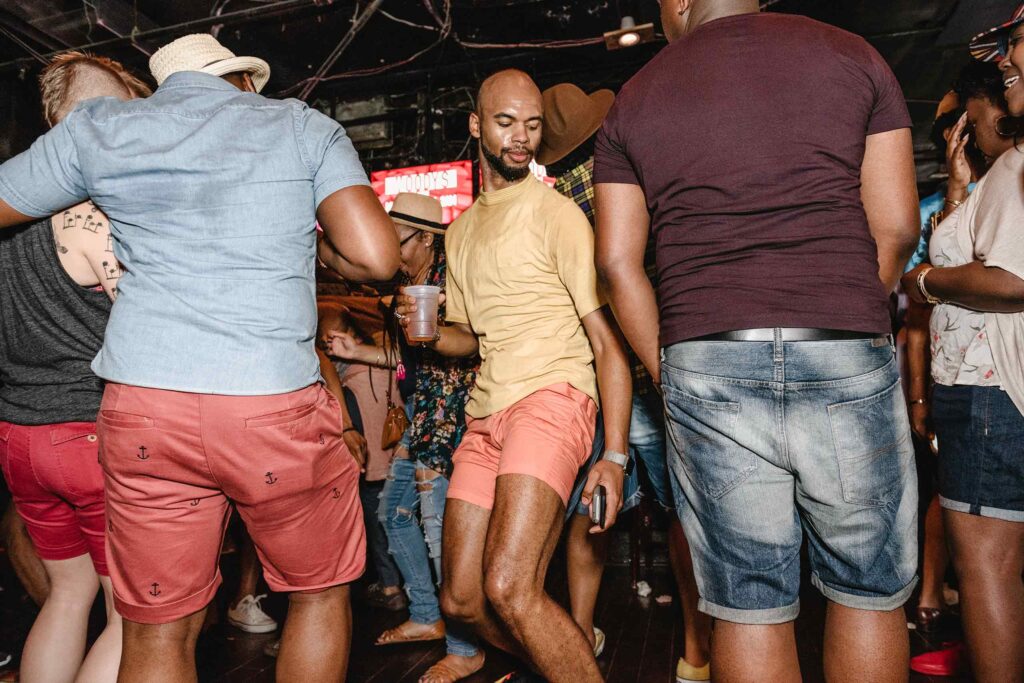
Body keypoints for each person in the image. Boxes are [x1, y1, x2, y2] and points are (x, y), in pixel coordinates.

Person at [0, 33, 399, 682]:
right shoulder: (299, 123)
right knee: (317, 592)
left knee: (158, 630)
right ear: (242, 81)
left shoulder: (104, 128)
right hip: (271, 407)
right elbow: (377, 257)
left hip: (145, 411)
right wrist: (319, 253)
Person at [594, 2, 921, 681]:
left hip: (706, 351)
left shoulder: (634, 97)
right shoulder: (855, 55)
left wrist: (670, 366)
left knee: (747, 604)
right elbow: (894, 227)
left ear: (680, 3)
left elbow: (618, 264)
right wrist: (847, 312)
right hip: (843, 340)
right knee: (867, 587)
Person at [394, 69, 630, 683]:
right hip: (486, 412)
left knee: (508, 585)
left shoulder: (557, 216)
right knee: (461, 600)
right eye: (505, 123)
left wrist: (616, 454)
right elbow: (468, 339)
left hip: (552, 398)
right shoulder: (464, 230)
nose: (521, 138)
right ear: (476, 125)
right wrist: (421, 331)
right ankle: (567, 660)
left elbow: (606, 343)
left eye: (531, 125)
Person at [537, 82, 711, 682]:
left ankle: (581, 634)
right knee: (683, 516)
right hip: (657, 365)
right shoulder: (635, 176)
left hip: (596, 375)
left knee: (593, 508)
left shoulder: (553, 202)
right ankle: (695, 652)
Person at [0, 50, 151, 683]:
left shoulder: (9, 215)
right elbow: (147, 333)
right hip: (89, 438)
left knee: (67, 595)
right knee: (130, 617)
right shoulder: (95, 219)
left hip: (18, 439)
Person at [899, 10, 1024, 681]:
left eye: (969, 118)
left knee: (986, 569)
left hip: (988, 393)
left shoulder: (1014, 169)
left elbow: (1009, 280)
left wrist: (925, 279)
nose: (962, 131)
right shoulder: (993, 180)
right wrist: (954, 188)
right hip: (992, 390)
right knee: (998, 566)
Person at [328, 193, 484, 683]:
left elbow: (471, 346)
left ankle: (465, 647)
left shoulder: (449, 279)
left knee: (439, 527)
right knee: (393, 513)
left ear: (425, 238)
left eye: (397, 240)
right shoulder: (406, 282)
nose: (390, 249)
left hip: (449, 414)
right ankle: (425, 614)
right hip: (420, 415)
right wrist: (359, 349)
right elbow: (406, 361)